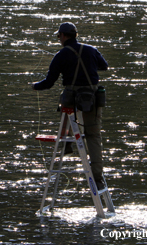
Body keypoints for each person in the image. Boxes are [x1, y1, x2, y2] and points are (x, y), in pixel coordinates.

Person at [32, 22, 109, 190]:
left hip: (71, 101)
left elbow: (49, 83)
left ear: (64, 36)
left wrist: (34, 86)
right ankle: (97, 178)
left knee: (65, 105)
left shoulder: (61, 55)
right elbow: (104, 66)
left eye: (59, 36)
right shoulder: (90, 50)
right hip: (93, 98)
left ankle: (68, 144)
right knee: (94, 136)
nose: (58, 39)